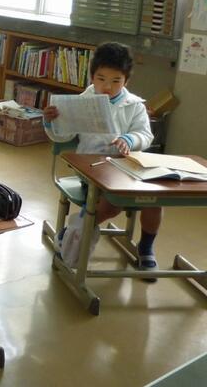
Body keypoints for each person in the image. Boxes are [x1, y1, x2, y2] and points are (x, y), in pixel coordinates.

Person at [43, 42, 156, 274]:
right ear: (92, 77)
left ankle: (146, 247)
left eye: (116, 81)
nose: (107, 86)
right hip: (91, 170)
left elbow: (145, 135)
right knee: (112, 204)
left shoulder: (135, 106)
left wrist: (129, 140)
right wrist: (50, 121)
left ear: (126, 81)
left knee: (155, 200)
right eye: (101, 79)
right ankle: (79, 228)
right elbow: (63, 135)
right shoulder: (83, 101)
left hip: (126, 168)